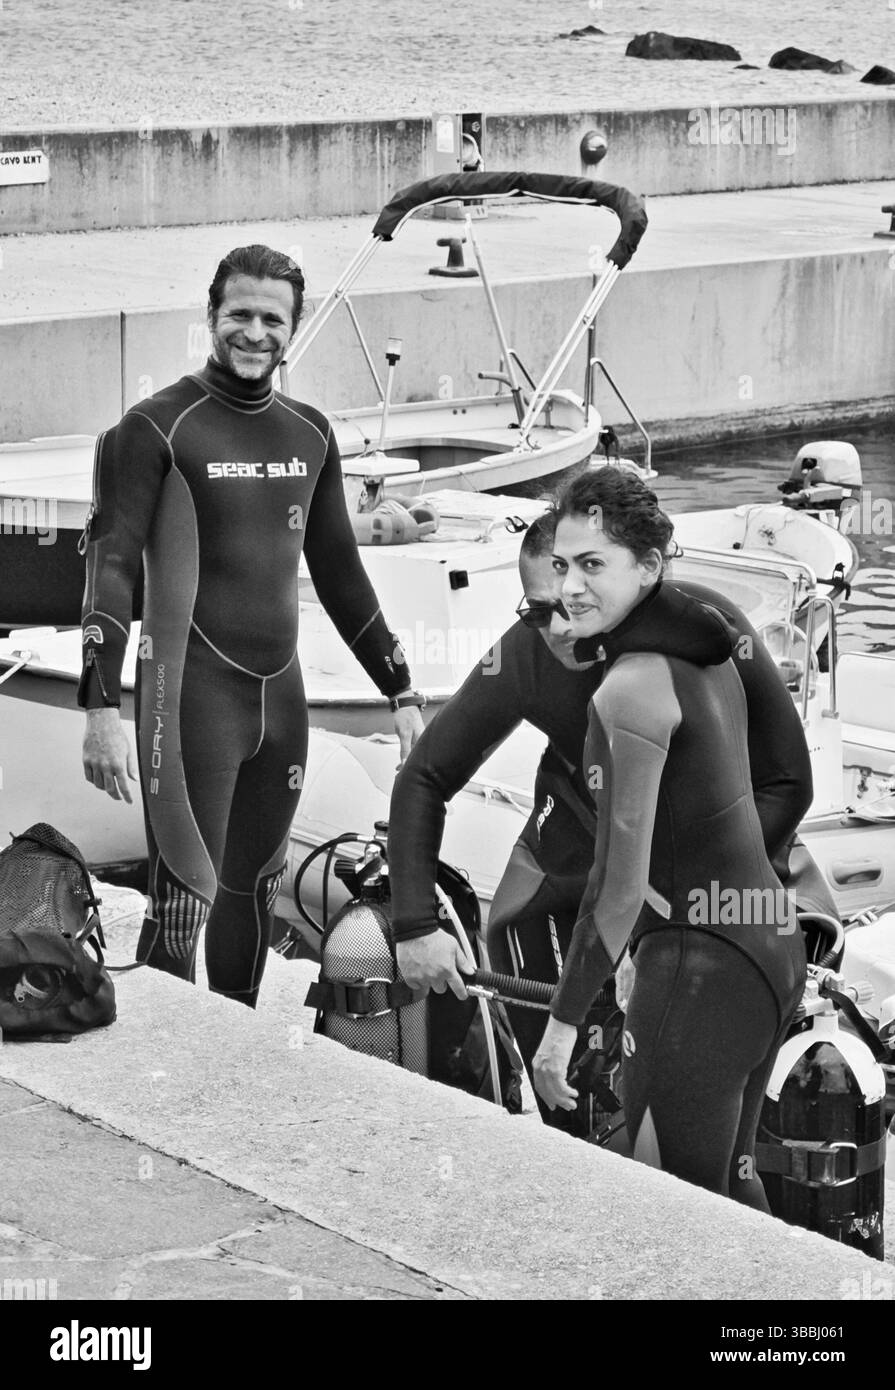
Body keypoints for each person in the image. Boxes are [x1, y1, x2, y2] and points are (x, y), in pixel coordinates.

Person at [389, 500, 821, 1146]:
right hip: (567, 870)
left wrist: (662, 924)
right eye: (539, 608)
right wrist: (415, 924)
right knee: (574, 1124)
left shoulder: (701, 636)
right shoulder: (526, 656)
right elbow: (423, 775)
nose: (559, 627)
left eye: (574, 601)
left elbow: (787, 784)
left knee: (691, 1139)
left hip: (680, 888)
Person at [79, 244, 425, 1006]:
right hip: (188, 696)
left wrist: (400, 688)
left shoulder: (308, 432)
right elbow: (109, 565)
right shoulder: (155, 428)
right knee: (184, 894)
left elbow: (338, 570)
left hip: (281, 701)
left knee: (255, 888)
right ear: (211, 316)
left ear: (292, 328)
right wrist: (99, 705)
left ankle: (231, 1064)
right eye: (239, 314)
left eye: (273, 318)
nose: (254, 332)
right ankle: (163, 1069)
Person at [529, 469, 806, 1207]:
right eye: (561, 564)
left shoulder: (629, 689)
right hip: (770, 946)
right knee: (731, 1195)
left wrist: (560, 1026)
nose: (570, 588)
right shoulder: (705, 634)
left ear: (648, 568)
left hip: (701, 971)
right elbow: (776, 785)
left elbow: (615, 887)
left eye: (593, 565)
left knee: (670, 1218)